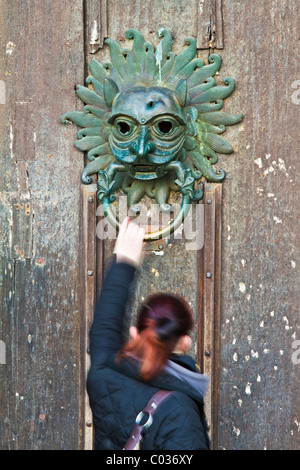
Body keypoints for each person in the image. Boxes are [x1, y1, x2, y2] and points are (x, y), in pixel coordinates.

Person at [87, 217, 210, 450]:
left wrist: (124, 261)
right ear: (186, 342)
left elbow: (104, 328)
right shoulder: (180, 411)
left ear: (135, 333)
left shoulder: (103, 374)